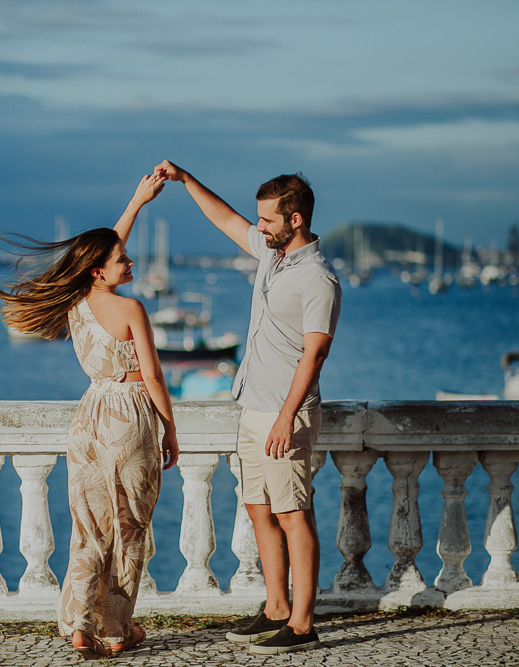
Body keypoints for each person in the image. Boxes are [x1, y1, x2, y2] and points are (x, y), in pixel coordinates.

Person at [153, 160, 341, 655]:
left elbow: (315, 352)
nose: (258, 227)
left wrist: (285, 415)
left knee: (293, 513)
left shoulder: (318, 278)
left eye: (268, 220)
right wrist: (187, 179)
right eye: (260, 219)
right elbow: (226, 220)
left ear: (295, 220)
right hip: (252, 408)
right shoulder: (272, 256)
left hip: (286, 414)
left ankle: (302, 623)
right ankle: (276, 607)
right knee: (260, 511)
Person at [0, 173, 179, 660]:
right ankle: (116, 630)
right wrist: (171, 429)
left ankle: (79, 626)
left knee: (90, 527)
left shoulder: (77, 302)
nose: (130, 260)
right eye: (122, 260)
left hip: (90, 416)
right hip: (130, 415)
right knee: (130, 526)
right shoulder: (131, 309)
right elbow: (155, 377)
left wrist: (137, 201)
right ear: (99, 269)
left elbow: (104, 247)